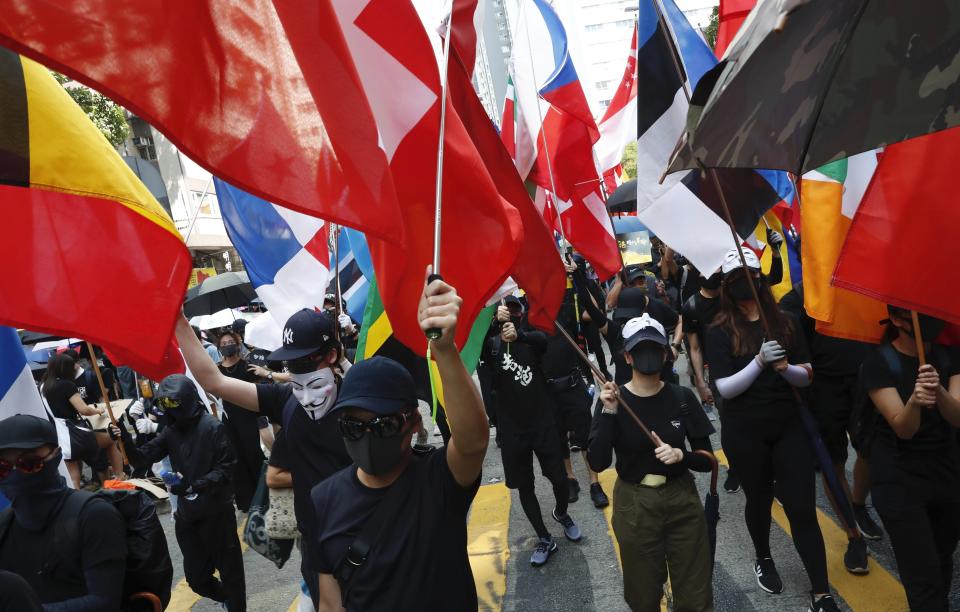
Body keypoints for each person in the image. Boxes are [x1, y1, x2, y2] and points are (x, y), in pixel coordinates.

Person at [309, 273, 488, 610]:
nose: (367, 436)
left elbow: (473, 442)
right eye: (353, 426)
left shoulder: (439, 480)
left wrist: (445, 350)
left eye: (384, 424)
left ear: (415, 423)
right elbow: (331, 602)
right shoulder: (323, 500)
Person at [174, 306, 352, 607]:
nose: (300, 370)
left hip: (363, 541)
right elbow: (214, 381)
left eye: (308, 359)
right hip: (314, 547)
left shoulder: (359, 399)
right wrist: (177, 320)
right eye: (292, 363)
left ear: (331, 355)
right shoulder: (285, 400)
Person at [705, 248, 839, 612]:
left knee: (801, 506)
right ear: (727, 286)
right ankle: (763, 557)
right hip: (744, 431)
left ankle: (821, 590)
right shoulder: (718, 331)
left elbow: (808, 374)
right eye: (735, 279)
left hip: (789, 427)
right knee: (759, 499)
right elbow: (725, 388)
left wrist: (785, 369)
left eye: (750, 275)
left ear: (761, 278)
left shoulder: (787, 321)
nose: (745, 284)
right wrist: (759, 361)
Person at [589, 314, 715, 612]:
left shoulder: (682, 397)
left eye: (654, 347)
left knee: (695, 593)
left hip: (682, 498)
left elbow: (707, 461)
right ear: (628, 356)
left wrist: (681, 456)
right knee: (642, 594)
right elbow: (598, 460)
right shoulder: (613, 399)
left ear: (665, 353)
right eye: (640, 348)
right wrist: (608, 412)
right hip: (635, 504)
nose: (648, 355)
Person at [860, 307, 960, 611]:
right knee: (923, 578)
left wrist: (938, 390)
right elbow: (904, 429)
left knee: (942, 561)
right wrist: (915, 401)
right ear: (896, 320)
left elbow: (957, 417)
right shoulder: (877, 363)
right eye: (917, 316)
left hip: (946, 474)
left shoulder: (949, 357)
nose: (929, 322)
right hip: (899, 479)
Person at [121, 375, 246, 611]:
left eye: (172, 404)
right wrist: (125, 434)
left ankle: (235, 604)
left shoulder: (212, 427)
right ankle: (227, 598)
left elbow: (226, 469)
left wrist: (194, 485)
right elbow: (143, 458)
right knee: (197, 579)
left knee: (232, 574)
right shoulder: (172, 430)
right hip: (188, 516)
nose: (168, 410)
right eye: (164, 404)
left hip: (217, 513)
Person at [780, 283, 880, 574]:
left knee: (871, 449)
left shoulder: (861, 282)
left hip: (867, 380)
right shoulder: (799, 298)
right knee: (832, 460)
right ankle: (854, 535)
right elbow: (791, 344)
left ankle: (858, 504)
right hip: (823, 389)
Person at [483, 295, 582, 567]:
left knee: (560, 480)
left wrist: (520, 336)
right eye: (506, 308)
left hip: (542, 422)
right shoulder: (489, 346)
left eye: (516, 308)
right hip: (512, 430)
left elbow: (540, 341)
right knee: (524, 486)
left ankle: (561, 513)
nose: (511, 312)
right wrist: (493, 328)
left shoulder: (531, 338)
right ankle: (543, 537)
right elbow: (469, 354)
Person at [0, 415, 126, 609]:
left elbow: (105, 601)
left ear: (56, 456)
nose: (16, 475)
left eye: (30, 464)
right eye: (3, 468)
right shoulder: (5, 524)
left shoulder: (94, 516)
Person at [41, 353, 124, 487]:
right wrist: (99, 410)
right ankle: (119, 477)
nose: (75, 368)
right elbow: (84, 409)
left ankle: (75, 502)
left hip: (59, 436)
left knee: (74, 477)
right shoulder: (67, 385)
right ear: (64, 368)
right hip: (76, 434)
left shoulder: (43, 386)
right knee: (110, 440)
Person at [217, 331, 266, 513]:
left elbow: (259, 388)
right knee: (235, 458)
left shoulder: (247, 366)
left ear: (237, 344)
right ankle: (245, 501)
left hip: (248, 416)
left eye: (231, 342)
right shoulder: (217, 370)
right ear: (219, 347)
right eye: (224, 343)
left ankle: (262, 496)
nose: (227, 345)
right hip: (229, 419)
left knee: (253, 455)